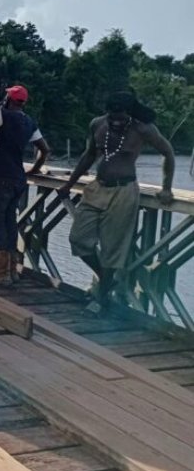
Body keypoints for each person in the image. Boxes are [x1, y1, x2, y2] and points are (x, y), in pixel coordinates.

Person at [58, 91, 174, 313]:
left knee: (112, 248)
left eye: (121, 117)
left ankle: (101, 299)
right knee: (78, 239)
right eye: (113, 117)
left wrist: (166, 188)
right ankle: (106, 279)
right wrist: (69, 184)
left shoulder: (143, 128)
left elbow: (168, 153)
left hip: (124, 191)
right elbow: (89, 155)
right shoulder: (98, 124)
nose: (117, 121)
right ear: (107, 113)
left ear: (129, 113)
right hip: (98, 187)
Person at [0, 85, 50, 286]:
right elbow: (45, 149)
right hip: (18, 177)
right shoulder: (28, 121)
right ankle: (11, 269)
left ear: (10, 99)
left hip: (2, 176)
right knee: (9, 221)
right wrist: (34, 170)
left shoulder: (3, 115)